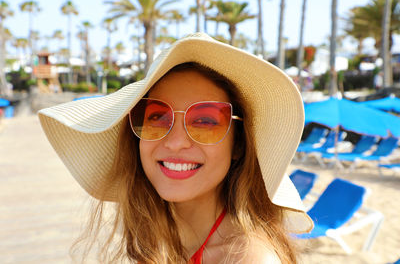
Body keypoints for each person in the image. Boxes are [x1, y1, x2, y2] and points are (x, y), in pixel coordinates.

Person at [38, 33, 313, 264]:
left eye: (205, 121)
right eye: (157, 117)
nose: (175, 141)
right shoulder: (162, 240)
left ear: (238, 144)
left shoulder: (247, 258)